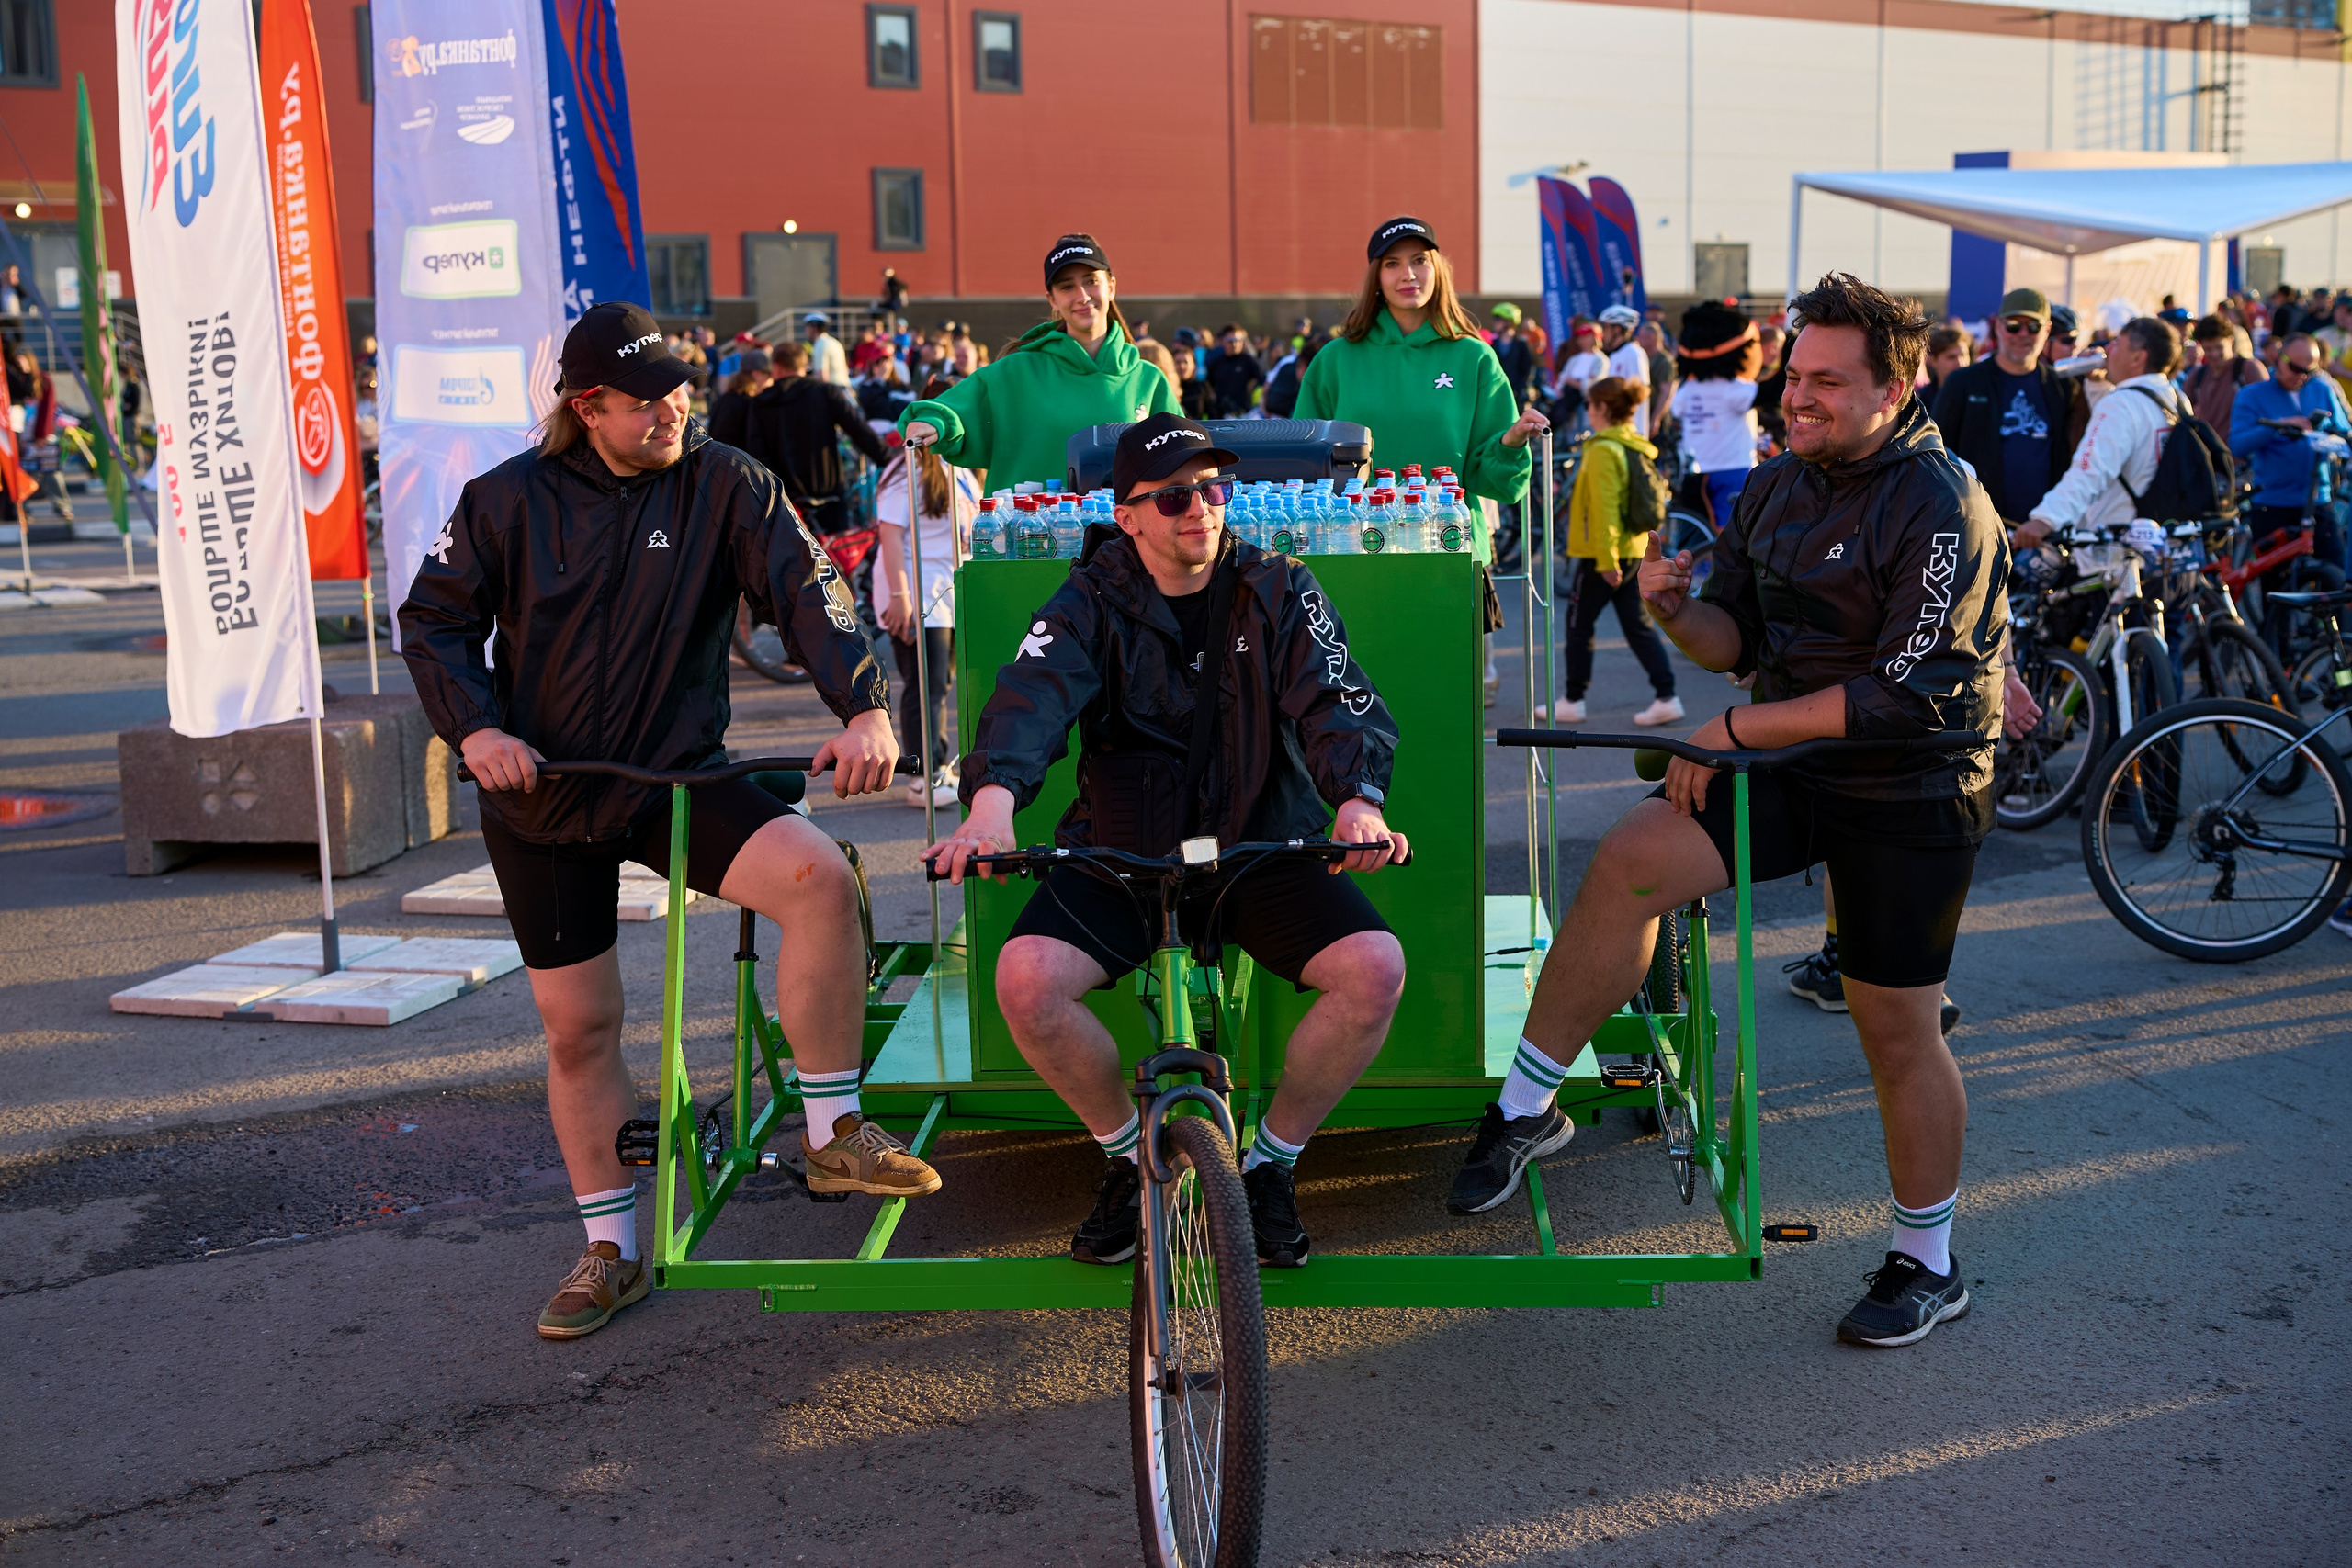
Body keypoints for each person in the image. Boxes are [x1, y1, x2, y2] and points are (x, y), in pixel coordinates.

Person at [1449, 274, 2007, 1351]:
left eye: (1825, 384)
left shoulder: (1943, 499)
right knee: (1632, 859)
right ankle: (1528, 1106)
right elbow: (1735, 643)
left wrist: (1734, 732)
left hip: (1915, 780)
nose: (1796, 399)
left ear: (1893, 389)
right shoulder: (1779, 483)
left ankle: (1927, 1262)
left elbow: (1908, 693)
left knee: (1894, 1025)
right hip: (1796, 756)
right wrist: (1674, 610)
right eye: (1791, 377)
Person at [399, 303, 938, 1342]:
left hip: (674, 780)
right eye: (647, 398)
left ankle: (832, 1131)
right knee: (581, 1029)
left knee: (819, 879)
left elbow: (811, 590)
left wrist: (865, 704)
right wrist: (474, 732)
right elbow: (434, 623)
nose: (673, 409)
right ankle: (612, 1249)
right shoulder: (505, 500)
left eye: (680, 387)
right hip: (541, 794)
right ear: (586, 405)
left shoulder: (725, 482)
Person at [923, 413, 1408, 1269]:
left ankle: (1270, 1166)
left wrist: (1357, 800)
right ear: (1130, 513)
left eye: (1214, 488)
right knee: (1026, 981)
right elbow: (1027, 700)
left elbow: (1337, 697)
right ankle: (1125, 1154)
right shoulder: (1088, 599)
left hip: (1258, 841)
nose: (1202, 508)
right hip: (1124, 849)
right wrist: (992, 804)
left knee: (1374, 969)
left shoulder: (1279, 584)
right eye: (1176, 494)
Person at [1295, 215, 1548, 557]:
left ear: (1437, 269)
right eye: (1392, 263)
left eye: (1419, 261)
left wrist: (1511, 442)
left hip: (1453, 553)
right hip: (1352, 551)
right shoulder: (1334, 359)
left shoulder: (1474, 357)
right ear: (1377, 277)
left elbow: (1497, 482)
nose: (1408, 274)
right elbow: (1302, 467)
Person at [899, 233, 1180, 490]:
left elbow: (1182, 460)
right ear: (1052, 299)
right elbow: (955, 409)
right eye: (1067, 287)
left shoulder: (1148, 379)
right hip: (1032, 540)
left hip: (1126, 542)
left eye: (1091, 281)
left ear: (1111, 287)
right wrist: (934, 422)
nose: (1082, 296)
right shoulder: (1015, 371)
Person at [1551, 376, 1680, 727]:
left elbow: (1604, 509)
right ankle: (1667, 695)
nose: (1588, 412)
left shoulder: (1603, 449)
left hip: (1603, 556)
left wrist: (1606, 561)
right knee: (1638, 626)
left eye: (1590, 405)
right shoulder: (1634, 444)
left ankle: (1573, 699)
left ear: (1603, 408)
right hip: (1634, 550)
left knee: (1578, 626)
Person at [1928, 288, 2091, 538]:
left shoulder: (2062, 387)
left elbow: (2082, 456)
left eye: (2033, 327)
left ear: (2046, 331)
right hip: (1977, 530)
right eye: (2014, 325)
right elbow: (1936, 453)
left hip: (2044, 532)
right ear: (1999, 327)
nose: (2023, 335)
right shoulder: (1963, 383)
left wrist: (2098, 383)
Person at [875, 416, 978, 809]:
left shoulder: (958, 466)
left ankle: (938, 766)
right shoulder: (905, 468)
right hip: (919, 594)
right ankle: (922, 775)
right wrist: (900, 595)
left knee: (941, 686)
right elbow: (890, 536)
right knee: (925, 687)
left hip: (950, 593)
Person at [2019, 316, 2188, 551]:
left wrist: (2044, 520)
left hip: (2114, 550)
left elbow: (2090, 470)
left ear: (2138, 357)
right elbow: (2126, 435)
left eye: (2117, 343)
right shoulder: (2175, 397)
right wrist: (2098, 385)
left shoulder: (2121, 405)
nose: (2108, 349)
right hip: (2159, 543)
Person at [739, 342, 887, 537]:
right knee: (834, 560)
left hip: (785, 498)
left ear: (776, 367)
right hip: (828, 492)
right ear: (804, 365)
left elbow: (756, 452)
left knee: (791, 562)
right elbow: (858, 430)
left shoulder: (761, 402)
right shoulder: (825, 392)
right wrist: (889, 458)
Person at [2230, 333, 2344, 571]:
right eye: (2294, 368)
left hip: (2317, 502)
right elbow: (2238, 444)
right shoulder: (2251, 395)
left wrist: (2331, 437)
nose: (2301, 376)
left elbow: (2345, 431)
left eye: (2309, 371)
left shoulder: (2321, 389)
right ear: (2278, 358)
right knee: (2276, 591)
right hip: (2273, 505)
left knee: (2337, 580)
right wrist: (2279, 425)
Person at [1668, 300, 1762, 529]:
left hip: (1695, 472)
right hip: (1734, 469)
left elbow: (1676, 410)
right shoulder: (1737, 388)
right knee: (1735, 535)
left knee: (1699, 536)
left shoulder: (1689, 389)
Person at [2183, 313, 2268, 435]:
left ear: (2231, 341)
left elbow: (2267, 410)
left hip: (2241, 452)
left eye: (2219, 347)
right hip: (2209, 451)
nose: (2214, 354)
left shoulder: (2249, 369)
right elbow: (2183, 414)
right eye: (2208, 349)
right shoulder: (2197, 376)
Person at [1598, 305, 1651, 435]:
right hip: (1618, 430)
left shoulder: (1633, 353)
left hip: (1632, 432)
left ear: (1617, 329)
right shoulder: (1616, 354)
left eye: (1606, 328)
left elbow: (1640, 392)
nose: (1603, 333)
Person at [704, 348, 770, 449]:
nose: (771, 382)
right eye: (769, 376)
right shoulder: (749, 404)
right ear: (757, 374)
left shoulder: (726, 398)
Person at [1206, 323, 1264, 417]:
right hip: (1220, 415)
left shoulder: (1248, 361)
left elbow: (1263, 380)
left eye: (1238, 340)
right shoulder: (1216, 362)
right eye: (1230, 341)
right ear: (1223, 341)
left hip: (1243, 414)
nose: (1234, 344)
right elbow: (1208, 383)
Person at [1490, 302, 1537, 407]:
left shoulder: (1521, 345)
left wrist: (1518, 388)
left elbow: (1527, 370)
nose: (1494, 322)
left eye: (1498, 319)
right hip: (1496, 395)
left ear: (1509, 322)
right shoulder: (1492, 345)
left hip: (1516, 396)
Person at [1917, 326, 1970, 408]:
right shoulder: (1921, 400)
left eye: (1963, 355)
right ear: (1933, 360)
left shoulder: (1979, 395)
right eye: (1951, 357)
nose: (1961, 363)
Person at [803, 312, 851, 388]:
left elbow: (822, 377)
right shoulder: (832, 341)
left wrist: (803, 380)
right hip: (843, 390)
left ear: (814, 327)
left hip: (833, 391)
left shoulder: (820, 345)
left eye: (807, 326)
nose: (806, 330)